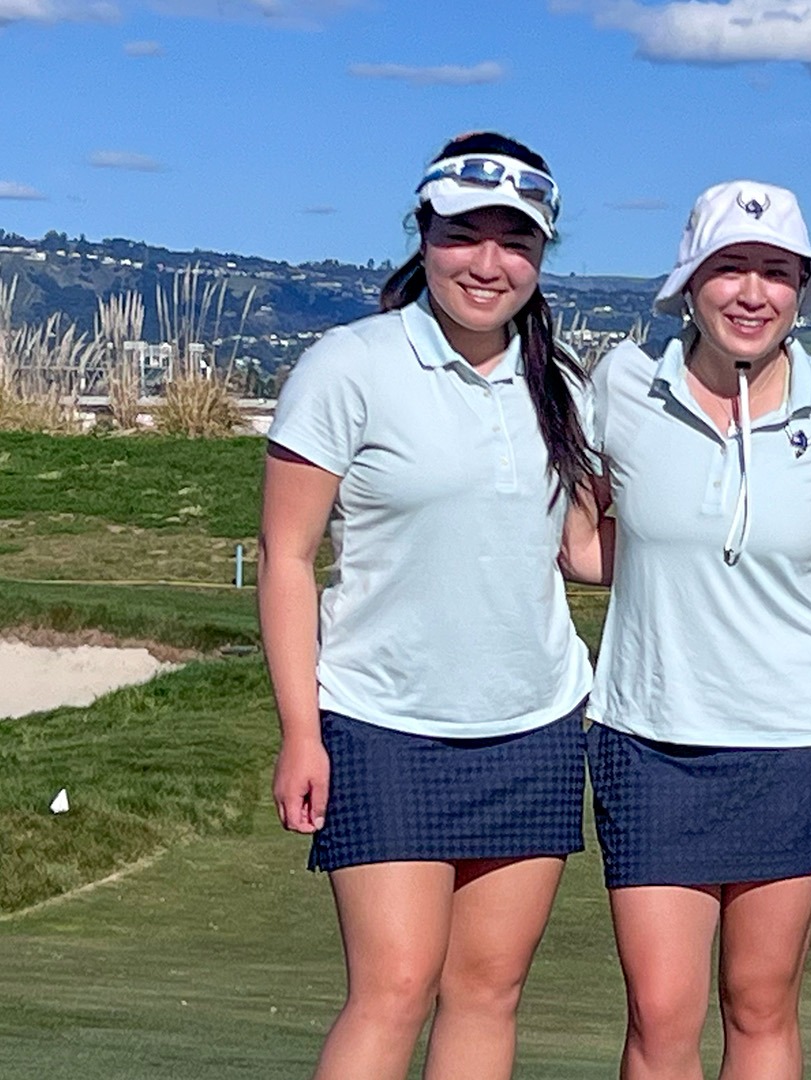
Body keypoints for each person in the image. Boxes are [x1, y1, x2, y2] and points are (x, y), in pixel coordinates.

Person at [563, 180, 811, 1080]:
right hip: (650, 736)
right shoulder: (622, 387)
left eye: (775, 271)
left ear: (801, 289)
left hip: (794, 739)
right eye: (729, 268)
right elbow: (585, 543)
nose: (752, 292)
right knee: (660, 1018)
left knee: (760, 1010)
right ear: (689, 283)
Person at [260, 131, 593, 1080]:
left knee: (488, 993)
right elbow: (287, 559)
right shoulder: (347, 365)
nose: (489, 264)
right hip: (382, 723)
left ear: (541, 253)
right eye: (464, 234)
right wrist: (300, 729)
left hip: (533, 722)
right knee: (395, 988)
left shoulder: (558, 382)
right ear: (424, 233)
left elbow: (578, 553)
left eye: (515, 241)